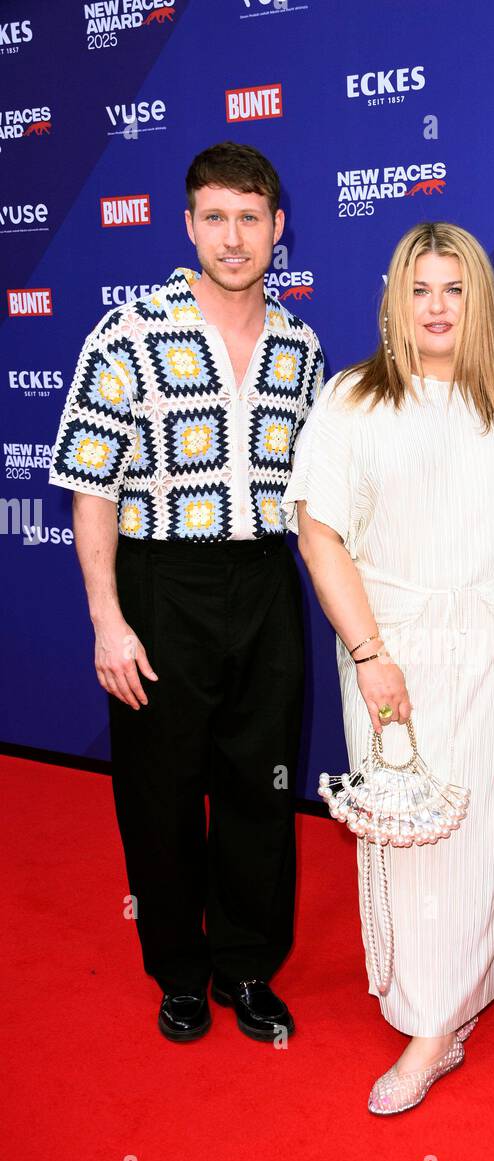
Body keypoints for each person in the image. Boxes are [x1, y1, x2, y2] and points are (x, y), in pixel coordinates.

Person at [282, 221, 494, 1114]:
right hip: (393, 649)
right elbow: (318, 532)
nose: (438, 307)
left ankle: (435, 1031)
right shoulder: (352, 401)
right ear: (395, 302)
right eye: (421, 290)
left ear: (479, 301)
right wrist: (372, 655)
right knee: (414, 833)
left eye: (455, 289)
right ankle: (434, 994)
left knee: (492, 817)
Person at [49, 142, 323, 1044]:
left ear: (277, 228)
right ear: (188, 226)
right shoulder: (128, 333)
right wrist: (107, 619)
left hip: (265, 583)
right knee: (160, 791)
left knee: (259, 785)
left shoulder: (301, 345)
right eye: (215, 217)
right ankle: (177, 970)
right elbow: (91, 487)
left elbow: (319, 496)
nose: (233, 237)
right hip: (161, 582)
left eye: (250, 217)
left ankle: (245, 967)